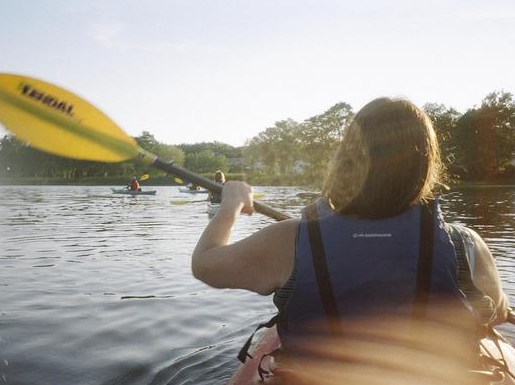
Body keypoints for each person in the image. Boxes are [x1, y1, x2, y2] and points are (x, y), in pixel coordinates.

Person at [192, 98, 510, 365]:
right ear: (425, 165)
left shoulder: (288, 240)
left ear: (347, 159)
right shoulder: (464, 243)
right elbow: (494, 313)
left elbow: (204, 263)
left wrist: (230, 206)